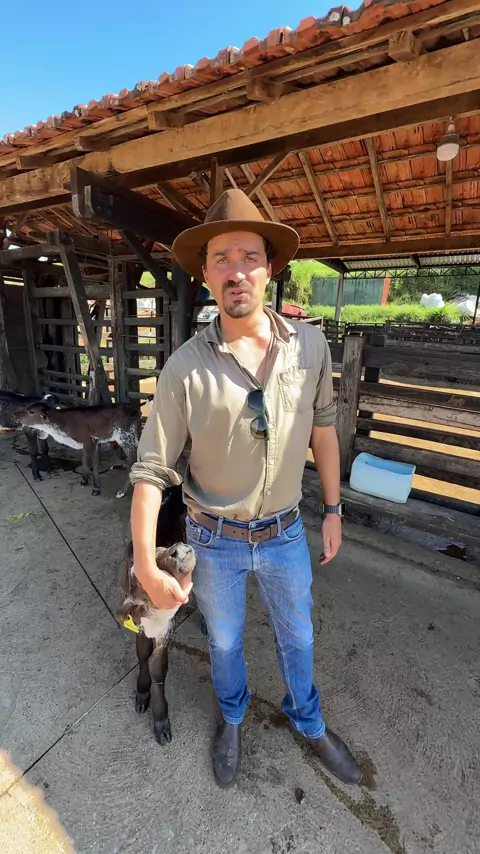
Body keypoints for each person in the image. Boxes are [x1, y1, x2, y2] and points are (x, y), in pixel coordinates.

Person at [129, 189, 362, 788]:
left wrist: (333, 509)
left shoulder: (310, 346)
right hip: (215, 540)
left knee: (299, 635)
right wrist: (145, 565)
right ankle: (231, 718)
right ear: (206, 274)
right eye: (222, 259)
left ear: (269, 268)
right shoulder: (185, 367)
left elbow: (325, 429)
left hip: (285, 531)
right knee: (226, 642)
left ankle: (309, 720)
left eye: (249, 257)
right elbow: (152, 469)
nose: (236, 270)